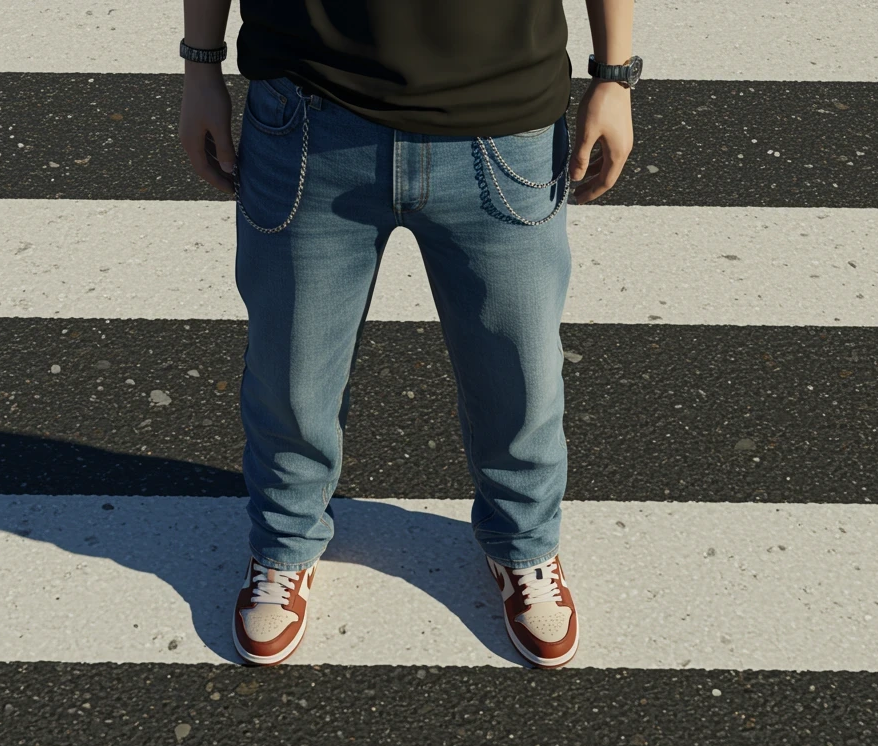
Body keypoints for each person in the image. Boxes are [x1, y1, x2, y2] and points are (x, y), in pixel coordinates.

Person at [178, 0, 635, 669]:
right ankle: (284, 541)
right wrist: (200, 67)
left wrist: (614, 76)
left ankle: (525, 543)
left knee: (520, 372)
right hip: (307, 110)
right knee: (291, 371)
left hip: (504, 117)